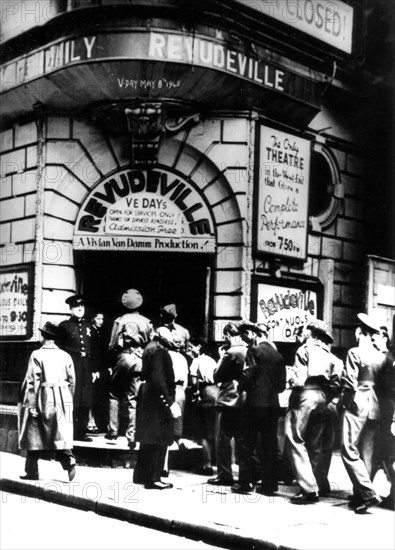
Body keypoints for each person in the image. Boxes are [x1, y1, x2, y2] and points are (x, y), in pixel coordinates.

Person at [284, 319, 342, 504]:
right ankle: (317, 484)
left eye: (303, 330)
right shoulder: (333, 358)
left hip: (304, 396)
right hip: (323, 398)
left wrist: (290, 382)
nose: (301, 334)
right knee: (315, 444)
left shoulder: (304, 350)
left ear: (310, 333)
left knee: (294, 439)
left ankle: (309, 489)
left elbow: (299, 380)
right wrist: (325, 396)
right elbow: (336, 385)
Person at [339, 312, 388, 514]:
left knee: (348, 449)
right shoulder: (381, 356)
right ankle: (361, 494)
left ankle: (368, 493)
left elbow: (349, 383)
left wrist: (343, 403)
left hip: (357, 402)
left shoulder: (354, 352)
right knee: (366, 451)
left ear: (360, 331)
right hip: (374, 405)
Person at [233, 321, 287, 495]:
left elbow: (248, 374)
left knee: (246, 443)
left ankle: (245, 482)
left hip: (254, 404)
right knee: (269, 444)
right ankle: (269, 484)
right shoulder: (278, 356)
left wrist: (240, 387)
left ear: (256, 335)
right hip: (272, 406)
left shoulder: (254, 351)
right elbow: (281, 386)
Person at [18, 322, 76, 481]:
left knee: (34, 434)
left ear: (43, 336)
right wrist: (68, 399)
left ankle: (32, 472)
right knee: (58, 433)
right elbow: (72, 381)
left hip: (43, 395)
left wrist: (32, 404)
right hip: (62, 397)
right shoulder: (65, 356)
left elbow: (32, 382)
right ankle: (69, 460)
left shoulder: (37, 355)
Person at [133, 332, 181, 489]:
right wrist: (170, 402)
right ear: (163, 336)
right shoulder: (160, 351)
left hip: (149, 399)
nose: (175, 337)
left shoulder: (150, 347)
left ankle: (141, 475)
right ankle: (154, 478)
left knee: (148, 439)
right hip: (157, 401)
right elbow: (159, 379)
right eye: (171, 333)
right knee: (158, 440)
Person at [207, 322, 248, 486]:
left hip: (228, 398)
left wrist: (220, 356)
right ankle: (246, 476)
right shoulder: (248, 350)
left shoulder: (229, 352)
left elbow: (216, 376)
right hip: (243, 398)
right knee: (242, 439)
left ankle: (224, 474)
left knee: (222, 439)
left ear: (228, 335)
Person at [57, 294, 97, 442]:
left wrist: (95, 369)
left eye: (82, 306)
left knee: (85, 399)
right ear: (70, 309)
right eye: (76, 306)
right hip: (71, 366)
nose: (80, 308)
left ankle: (81, 432)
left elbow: (94, 349)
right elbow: (60, 348)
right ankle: (70, 431)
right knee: (72, 399)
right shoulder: (64, 326)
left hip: (86, 367)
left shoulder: (89, 326)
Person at [105, 331, 144, 448]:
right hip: (139, 359)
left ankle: (113, 431)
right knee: (134, 399)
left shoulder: (121, 323)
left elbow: (113, 345)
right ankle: (132, 434)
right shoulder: (146, 323)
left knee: (114, 394)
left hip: (123, 357)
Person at [189, 337, 219, 475]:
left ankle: (206, 465)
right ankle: (216, 462)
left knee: (204, 432)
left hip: (205, 393)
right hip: (216, 393)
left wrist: (195, 395)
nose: (189, 350)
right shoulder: (212, 360)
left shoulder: (197, 361)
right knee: (214, 430)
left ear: (199, 347)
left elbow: (194, 382)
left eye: (192, 347)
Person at [89, 311, 109, 433]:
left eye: (102, 319)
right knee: (92, 396)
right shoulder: (91, 332)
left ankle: (100, 423)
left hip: (100, 369)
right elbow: (93, 353)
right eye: (98, 318)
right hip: (93, 369)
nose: (101, 321)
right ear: (93, 319)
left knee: (99, 396)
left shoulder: (100, 332)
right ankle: (91, 422)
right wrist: (94, 370)